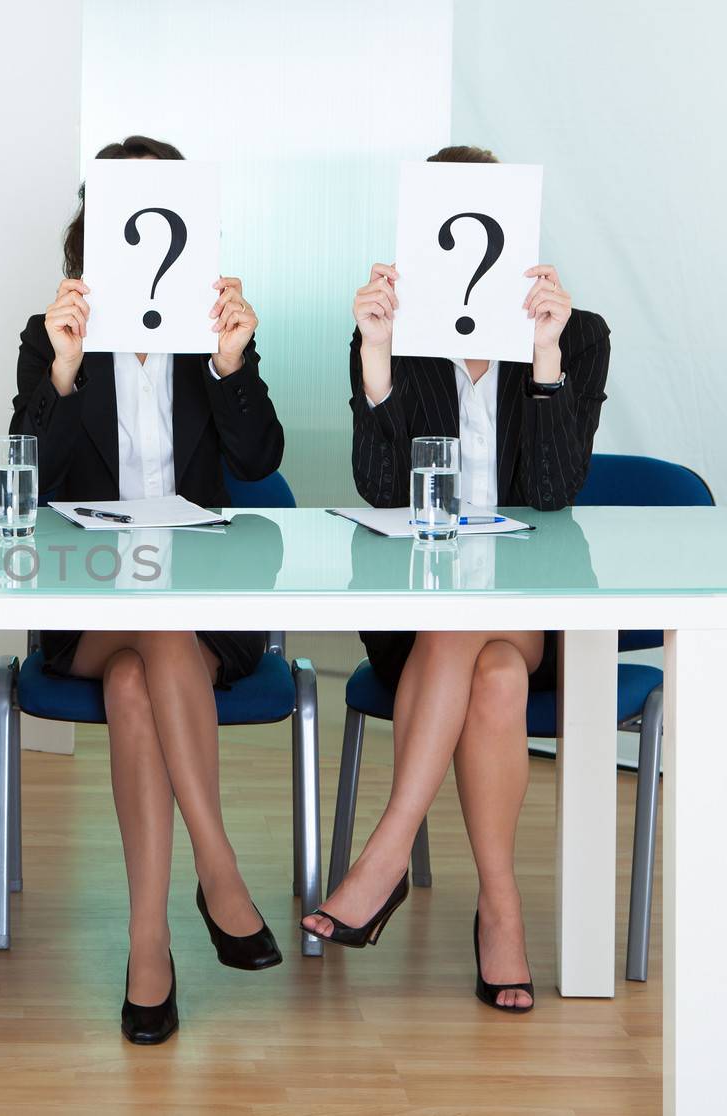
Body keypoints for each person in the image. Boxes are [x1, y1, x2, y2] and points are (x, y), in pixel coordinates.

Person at [301, 145, 611, 1013]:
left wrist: (544, 359)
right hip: (420, 610)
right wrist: (375, 357)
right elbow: (375, 486)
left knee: (498, 648)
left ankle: (386, 856)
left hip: (525, 602)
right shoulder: (398, 334)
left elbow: (552, 493)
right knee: (495, 673)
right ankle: (500, 909)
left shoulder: (579, 336)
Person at [10, 135, 287, 1045]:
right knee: (146, 628)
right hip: (87, 602)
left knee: (142, 671)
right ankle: (220, 872)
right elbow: (22, 483)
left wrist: (230, 364)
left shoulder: (208, 329)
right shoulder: (52, 335)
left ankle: (148, 945)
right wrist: (58, 370)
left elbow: (258, 460)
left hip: (198, 607)